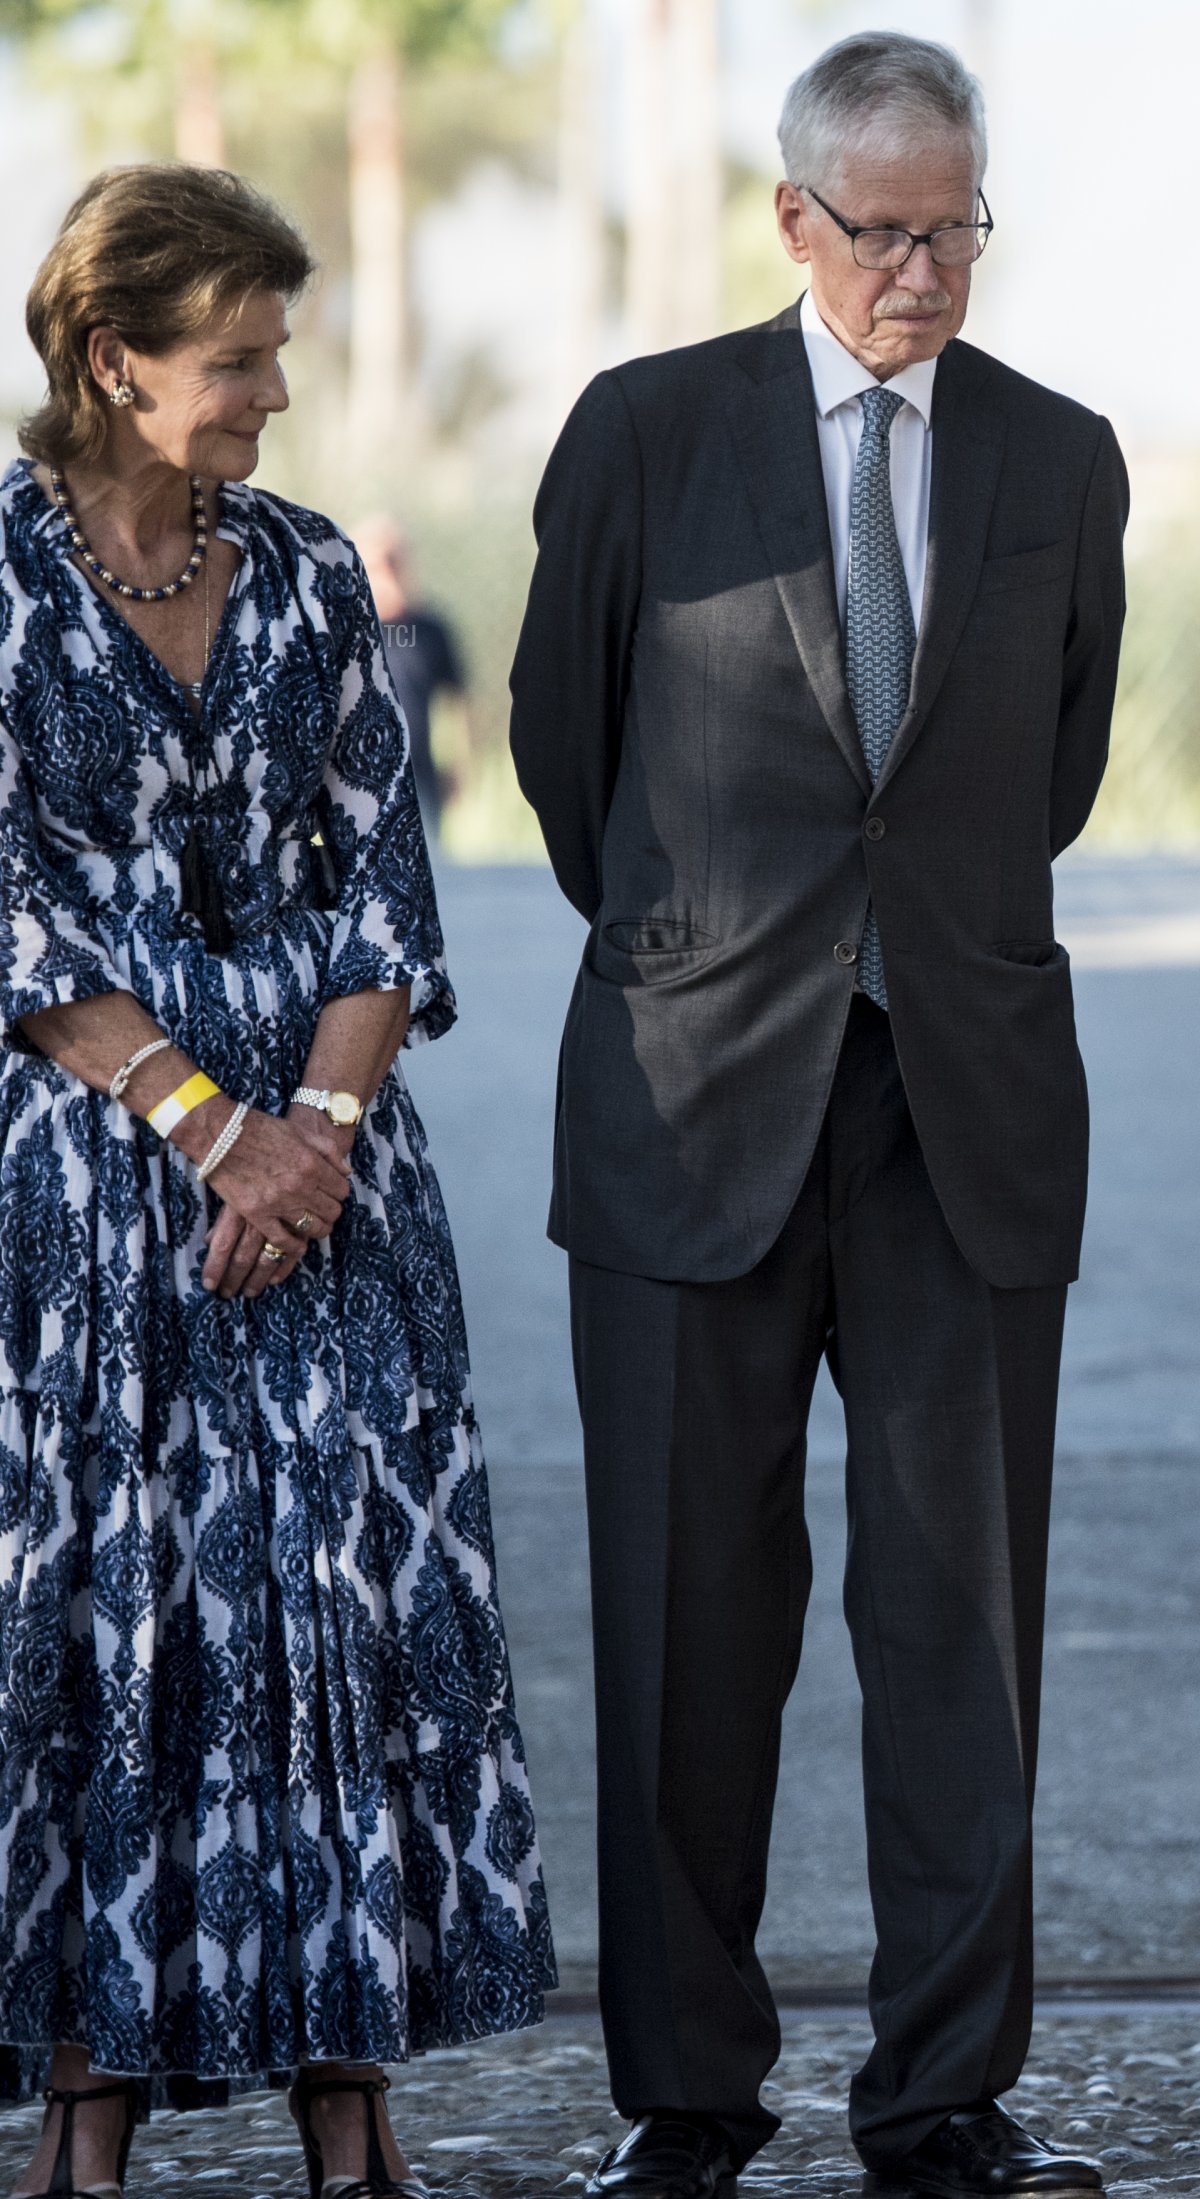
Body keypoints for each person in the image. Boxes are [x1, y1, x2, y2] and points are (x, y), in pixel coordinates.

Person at [510, 30, 1126, 2199]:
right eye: (885, 230)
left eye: (958, 226)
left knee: (961, 1634)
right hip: (694, 1113)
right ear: (794, 222)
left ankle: (943, 2100)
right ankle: (688, 2105)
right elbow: (565, 755)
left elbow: (1040, 780)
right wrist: (723, 955)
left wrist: (908, 953)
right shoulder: (647, 430)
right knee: (690, 1633)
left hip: (962, 1117)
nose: (927, 271)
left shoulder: (1065, 457)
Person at [0, 163, 554, 2199]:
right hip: (93, 1197)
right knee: (106, 1618)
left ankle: (354, 2097)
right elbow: (8, 915)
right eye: (236, 361)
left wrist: (309, 1134)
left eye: (277, 356)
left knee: (338, 1613)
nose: (272, 398)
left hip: (328, 1189)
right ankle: (89, 2094)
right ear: (113, 363)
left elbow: (384, 893)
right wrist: (208, 1120)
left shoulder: (323, 577)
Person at [354, 518, 469, 847]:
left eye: (395, 561)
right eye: (378, 563)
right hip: (360, 779)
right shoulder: (348, 629)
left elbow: (458, 702)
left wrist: (459, 765)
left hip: (421, 776)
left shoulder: (430, 629)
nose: (388, 573)